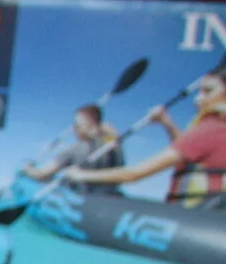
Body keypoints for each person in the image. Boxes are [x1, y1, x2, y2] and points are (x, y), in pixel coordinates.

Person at [68, 70, 226, 206]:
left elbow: (134, 174)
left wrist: (80, 175)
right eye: (199, 91)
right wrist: (167, 123)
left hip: (192, 215)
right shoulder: (219, 128)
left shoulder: (209, 129)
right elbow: (189, 156)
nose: (197, 99)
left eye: (208, 91)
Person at [21, 103, 126, 180]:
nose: (74, 128)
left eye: (77, 124)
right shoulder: (113, 147)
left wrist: (27, 169)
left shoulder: (74, 150)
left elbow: (42, 174)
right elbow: (121, 166)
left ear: (89, 125)